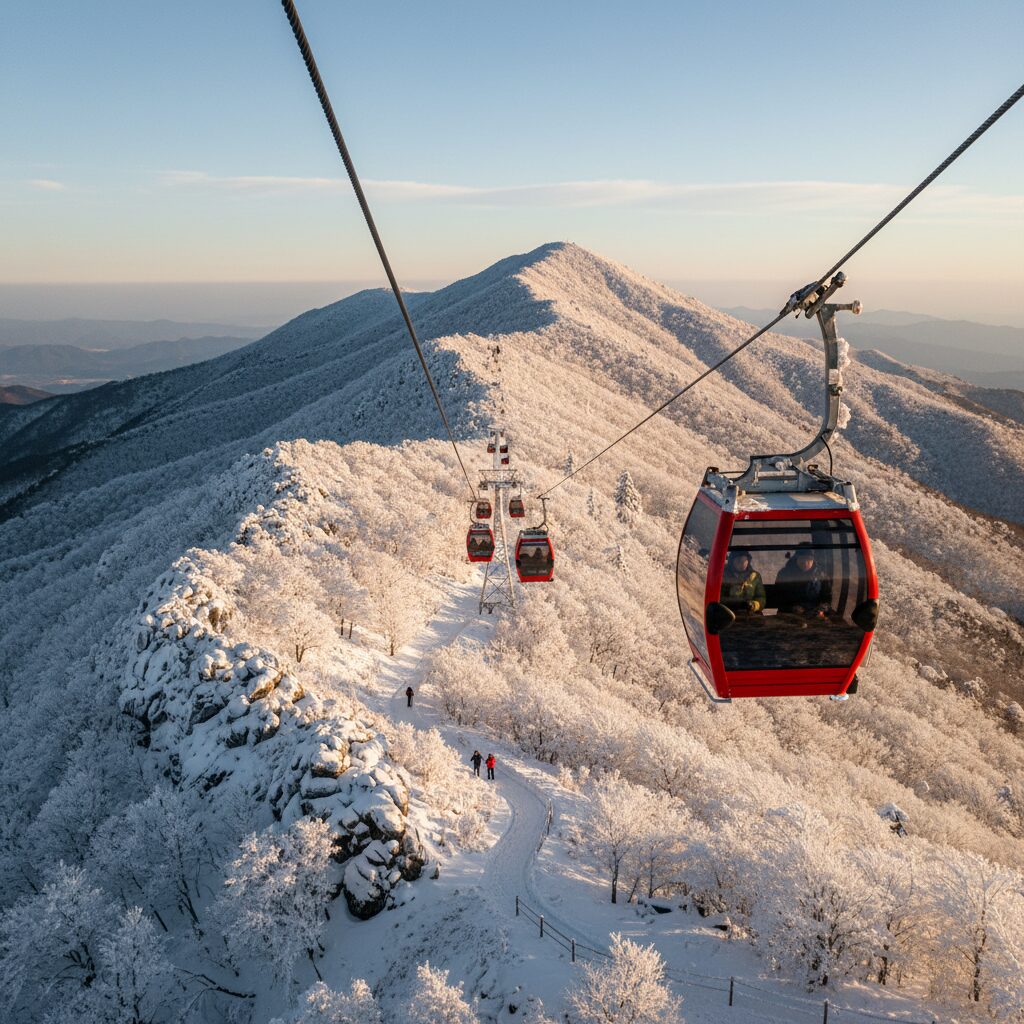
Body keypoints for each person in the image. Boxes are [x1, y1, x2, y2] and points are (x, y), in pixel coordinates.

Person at [776, 544, 833, 617]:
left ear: (813, 560)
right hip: (789, 614)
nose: (805, 563)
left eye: (809, 559)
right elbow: (778, 596)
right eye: (802, 559)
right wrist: (791, 608)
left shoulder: (821, 575)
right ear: (796, 558)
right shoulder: (784, 574)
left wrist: (823, 608)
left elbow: (827, 597)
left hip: (814, 615)